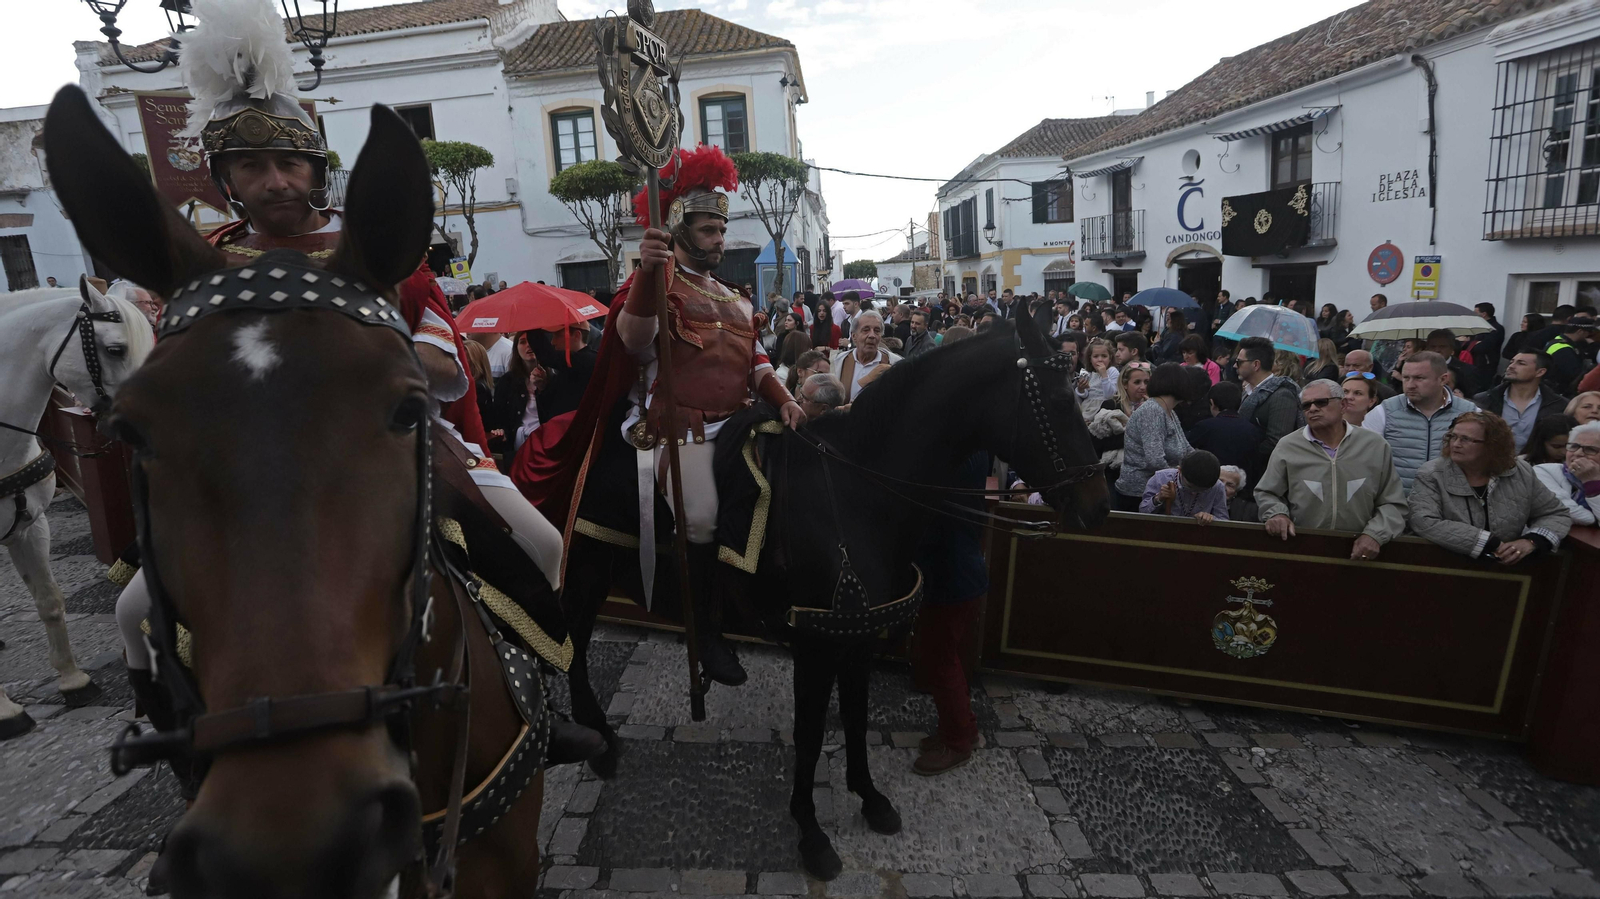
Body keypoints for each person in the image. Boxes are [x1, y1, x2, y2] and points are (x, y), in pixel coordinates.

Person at [521, 144, 802, 687]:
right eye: (707, 230)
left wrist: (785, 398)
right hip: (679, 426)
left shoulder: (737, 298)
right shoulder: (658, 284)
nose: (719, 239)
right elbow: (632, 338)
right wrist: (650, 275)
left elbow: (757, 360)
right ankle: (709, 631)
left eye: (721, 229)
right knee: (699, 517)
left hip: (741, 420)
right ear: (677, 228)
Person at [1255, 380, 1408, 561]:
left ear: (1343, 405)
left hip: (1360, 553)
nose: (1312, 409)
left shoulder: (1374, 445)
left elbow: (1393, 503)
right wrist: (1276, 513)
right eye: (1305, 405)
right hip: (1302, 549)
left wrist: (1375, 535)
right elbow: (1267, 492)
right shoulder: (1288, 446)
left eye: (1321, 402)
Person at [912, 451, 991, 775]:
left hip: (952, 578)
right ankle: (964, 730)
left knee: (941, 661)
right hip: (958, 575)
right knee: (943, 658)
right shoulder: (971, 455)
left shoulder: (956, 462)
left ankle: (958, 742)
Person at [1408, 412, 1570, 563]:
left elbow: (1555, 514)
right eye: (1453, 437)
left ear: (1493, 445)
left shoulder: (1520, 471)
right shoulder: (1432, 473)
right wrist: (1489, 543)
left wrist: (1532, 541)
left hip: (1509, 569)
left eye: (1466, 439)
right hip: (1447, 565)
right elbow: (1423, 521)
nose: (1456, 444)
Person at [1364, 351, 1479, 491]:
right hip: (1399, 506)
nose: (1410, 385)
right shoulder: (1384, 412)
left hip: (1452, 505)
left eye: (1419, 378)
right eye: (1406, 378)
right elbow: (1365, 462)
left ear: (1443, 379)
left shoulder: (1470, 413)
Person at [1113, 363, 1196, 512]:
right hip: (1140, 494)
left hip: (1161, 490)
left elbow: (1186, 448)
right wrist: (1185, 479)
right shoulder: (1152, 411)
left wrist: (1205, 466)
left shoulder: (1168, 410)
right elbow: (1155, 459)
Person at [1234, 337, 1302, 475]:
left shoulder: (1281, 395)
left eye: (1239, 362)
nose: (1235, 366)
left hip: (1265, 474)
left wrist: (1241, 451)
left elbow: (1277, 442)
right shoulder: (1248, 391)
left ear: (1256, 365)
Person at [1473, 352, 1565, 451]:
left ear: (1540, 372)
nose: (1511, 366)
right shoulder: (1484, 400)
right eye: (1511, 362)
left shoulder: (1557, 405)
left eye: (1521, 363)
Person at [1532, 421, 1600, 526]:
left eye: (1590, 449)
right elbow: (1571, 512)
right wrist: (1593, 518)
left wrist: (1592, 483)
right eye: (1573, 446)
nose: (1578, 453)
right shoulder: (1543, 471)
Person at [1186, 381, 1262, 475]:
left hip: (1210, 479)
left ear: (1212, 403)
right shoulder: (1252, 429)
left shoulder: (1205, 427)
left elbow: (1185, 448)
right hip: (1241, 482)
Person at [490, 332, 547, 454]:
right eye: (522, 342)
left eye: (532, 340)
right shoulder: (507, 381)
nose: (528, 345)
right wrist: (501, 430)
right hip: (517, 445)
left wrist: (542, 388)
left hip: (545, 442)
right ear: (516, 348)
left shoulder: (553, 377)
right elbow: (499, 414)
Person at [1139, 450, 1229, 523]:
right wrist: (1158, 498)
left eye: (1202, 490)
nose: (1194, 492)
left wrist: (1211, 519)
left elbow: (1223, 520)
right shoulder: (1161, 478)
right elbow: (1142, 512)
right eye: (1190, 486)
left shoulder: (1217, 486)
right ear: (1180, 470)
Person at [830, 310, 900, 403]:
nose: (872, 335)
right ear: (854, 336)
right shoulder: (838, 362)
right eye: (866, 330)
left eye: (877, 331)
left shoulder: (894, 364)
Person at [1542, 315, 1596, 394]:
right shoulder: (1564, 350)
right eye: (1588, 333)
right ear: (1580, 331)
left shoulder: (1557, 340)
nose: (1588, 336)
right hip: (1559, 392)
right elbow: (1575, 376)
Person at [1076, 339, 1119, 420]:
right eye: (1096, 356)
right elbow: (1086, 395)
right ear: (1090, 359)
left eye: (1104, 356)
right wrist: (1081, 389)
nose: (1100, 359)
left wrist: (1104, 375)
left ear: (1110, 358)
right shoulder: (1089, 374)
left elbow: (1110, 395)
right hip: (1088, 407)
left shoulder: (1112, 371)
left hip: (1104, 407)